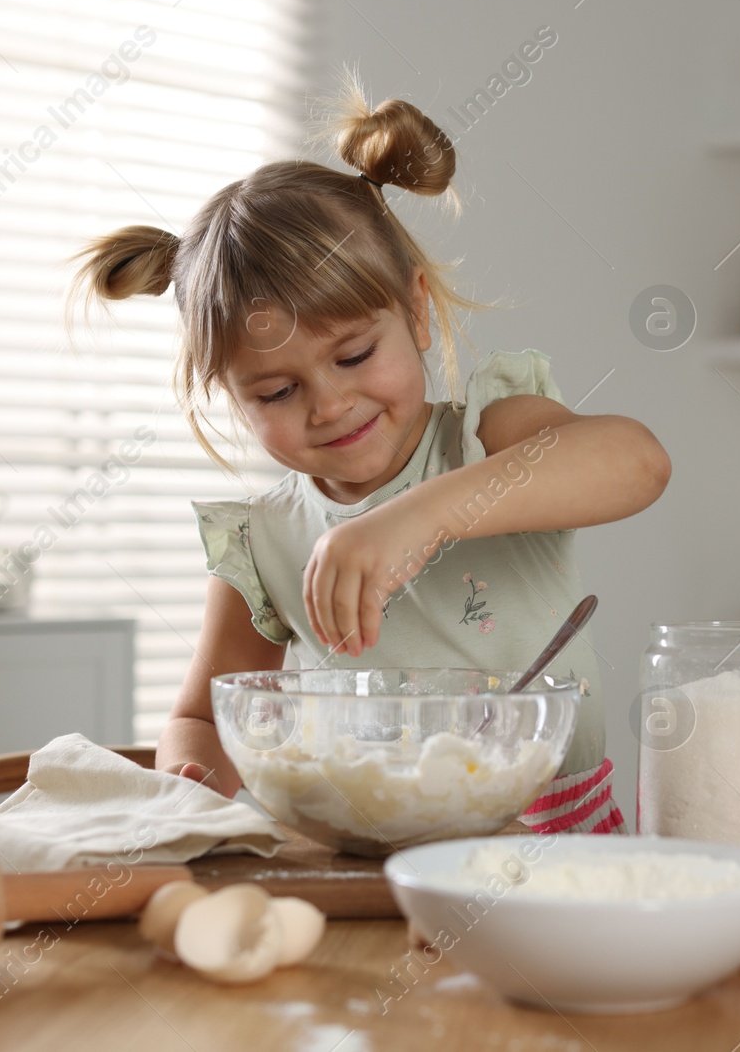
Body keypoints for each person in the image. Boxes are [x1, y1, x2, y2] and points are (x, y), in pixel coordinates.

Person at [71, 72, 669, 834]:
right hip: (355, 861)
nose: (329, 404)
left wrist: (419, 519)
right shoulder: (264, 540)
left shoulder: (491, 435)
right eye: (277, 392)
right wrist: (190, 776)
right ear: (232, 395)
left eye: (354, 355)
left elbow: (638, 460)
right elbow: (203, 712)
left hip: (548, 851)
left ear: (417, 310)